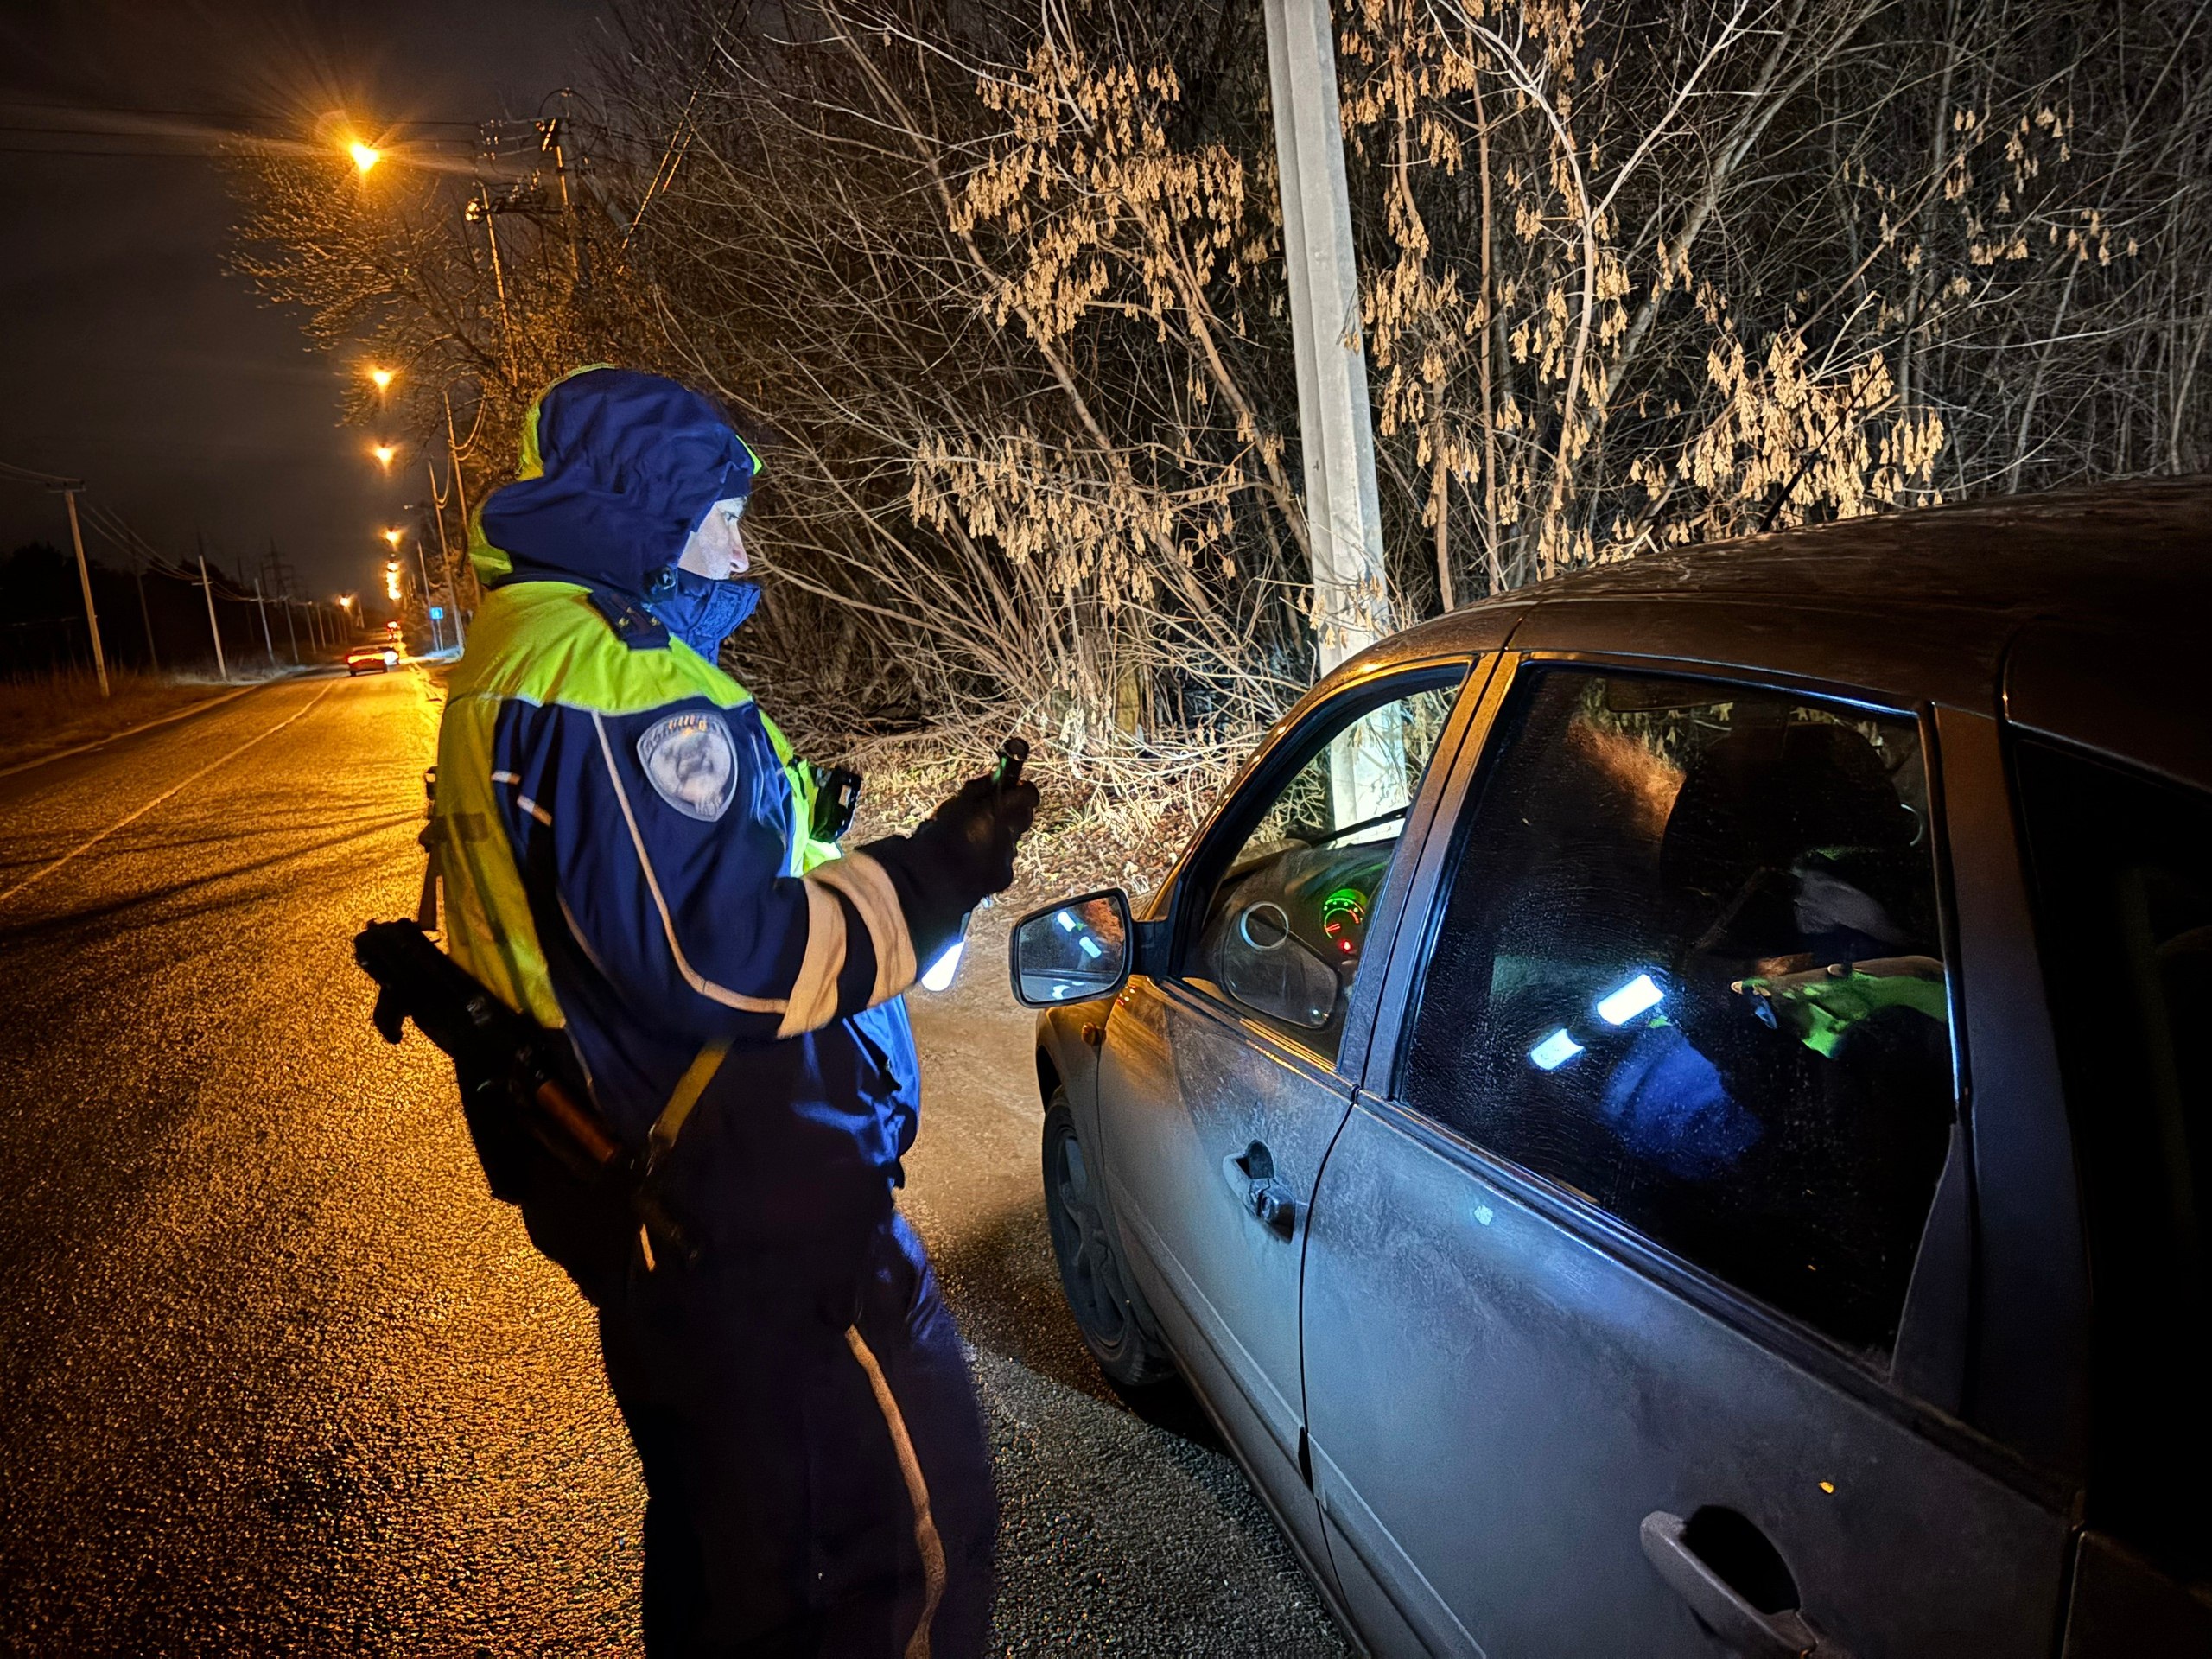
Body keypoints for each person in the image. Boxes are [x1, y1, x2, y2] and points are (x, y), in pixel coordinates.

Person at [428, 365, 1036, 1656]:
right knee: (902, 1568)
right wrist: (936, 875)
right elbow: (723, 962)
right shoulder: (616, 677)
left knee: (739, 1582)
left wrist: (803, 828)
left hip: (665, 1223)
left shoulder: (517, 654)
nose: (741, 552)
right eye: (720, 520)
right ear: (643, 514)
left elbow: (640, 897)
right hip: (765, 1228)